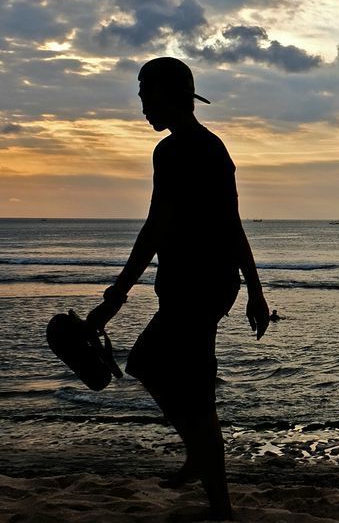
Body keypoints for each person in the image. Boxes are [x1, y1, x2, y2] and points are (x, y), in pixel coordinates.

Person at [86, 57, 271, 521]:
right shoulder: (213, 146)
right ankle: (200, 460)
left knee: (171, 378)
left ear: (173, 97)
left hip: (196, 286)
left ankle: (218, 501)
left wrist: (115, 296)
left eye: (149, 99)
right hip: (213, 284)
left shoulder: (174, 152)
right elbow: (232, 224)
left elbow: (155, 228)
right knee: (164, 370)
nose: (145, 109)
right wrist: (253, 290)